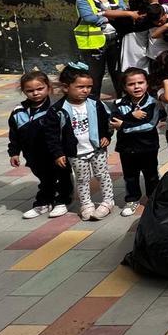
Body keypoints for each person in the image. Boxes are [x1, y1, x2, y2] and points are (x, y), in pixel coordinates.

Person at [45, 64, 114, 221]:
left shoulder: (95, 103)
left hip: (97, 149)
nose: (86, 90)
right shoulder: (57, 110)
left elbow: (107, 121)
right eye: (80, 87)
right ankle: (86, 204)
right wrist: (58, 153)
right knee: (82, 179)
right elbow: (52, 135)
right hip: (75, 153)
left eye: (89, 87)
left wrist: (106, 136)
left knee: (102, 175)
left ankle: (108, 201)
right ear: (66, 87)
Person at [8, 69, 71, 219]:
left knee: (62, 176)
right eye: (30, 90)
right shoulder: (18, 112)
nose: (35, 93)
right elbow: (14, 135)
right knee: (45, 178)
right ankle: (44, 202)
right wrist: (14, 153)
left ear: (48, 87)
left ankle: (62, 200)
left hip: (56, 153)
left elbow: (66, 130)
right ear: (23, 91)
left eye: (40, 88)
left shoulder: (57, 107)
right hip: (33, 155)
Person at [74, 0, 138, 99]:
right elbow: (89, 17)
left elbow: (124, 13)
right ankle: (93, 104)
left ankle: (122, 103)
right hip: (95, 44)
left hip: (115, 40)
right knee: (95, 77)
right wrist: (112, 16)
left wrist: (104, 14)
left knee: (119, 74)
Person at [109, 67, 160, 217]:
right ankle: (132, 199)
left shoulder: (153, 103)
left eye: (140, 82)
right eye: (131, 84)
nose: (136, 87)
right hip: (127, 147)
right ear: (124, 87)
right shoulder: (118, 103)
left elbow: (150, 125)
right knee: (130, 175)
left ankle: (153, 198)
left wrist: (124, 125)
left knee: (151, 174)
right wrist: (132, 116)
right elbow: (113, 121)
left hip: (148, 147)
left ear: (147, 84)